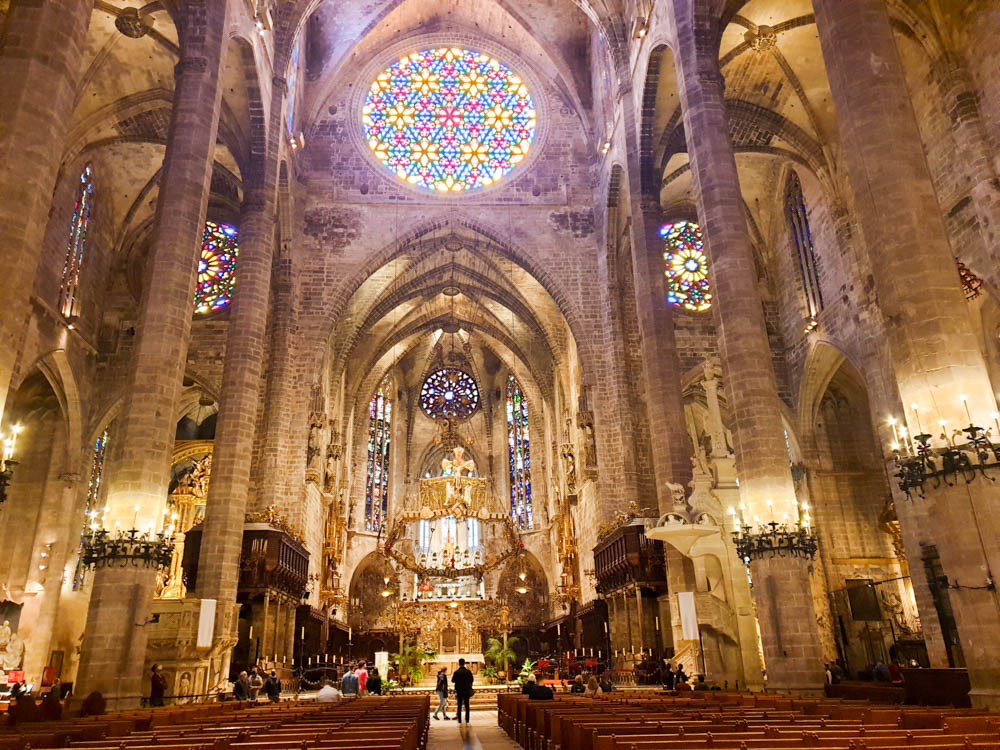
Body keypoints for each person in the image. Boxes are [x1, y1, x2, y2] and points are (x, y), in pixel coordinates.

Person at [451, 658, 474, 725]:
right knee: (467, 705)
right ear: (464, 663)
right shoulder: (468, 672)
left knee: (459, 705)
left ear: (459, 663)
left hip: (459, 690)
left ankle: (460, 720)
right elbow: (472, 680)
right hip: (466, 690)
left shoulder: (456, 672)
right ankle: (467, 719)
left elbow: (452, 680)